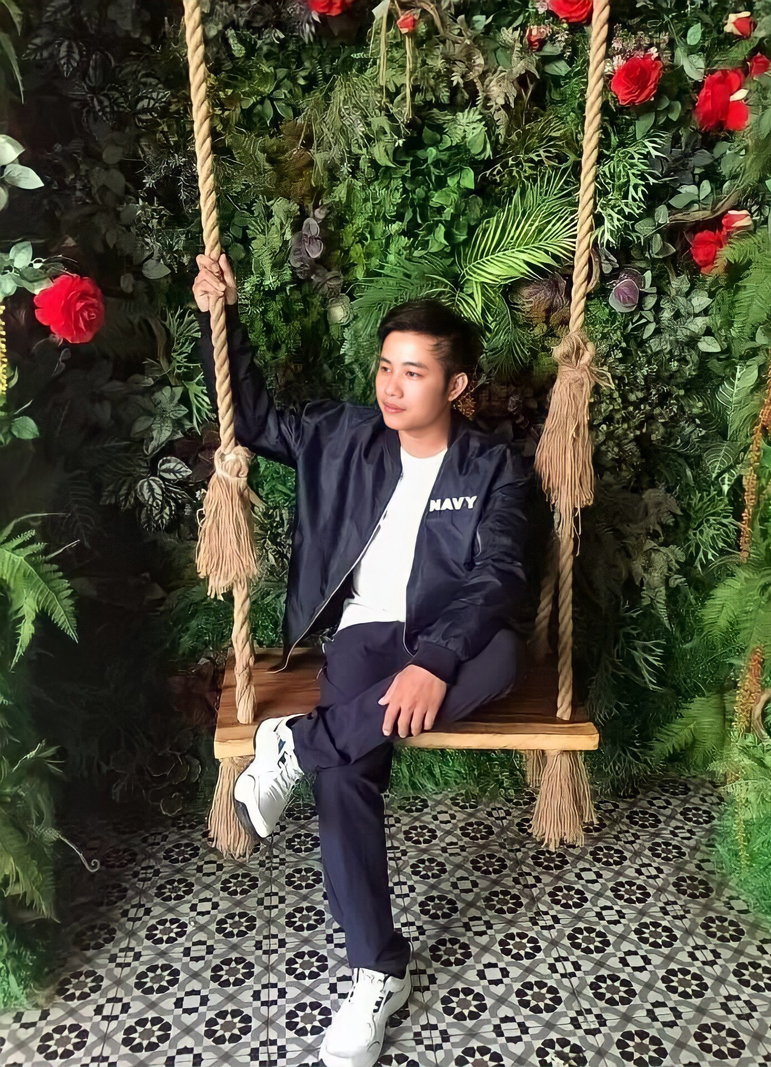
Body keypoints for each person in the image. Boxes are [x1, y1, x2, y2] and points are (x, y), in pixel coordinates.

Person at [193, 251, 532, 1067]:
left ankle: (294, 743)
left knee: (498, 659)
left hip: (451, 636)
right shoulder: (342, 436)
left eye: (413, 372)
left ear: (455, 385)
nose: (392, 386)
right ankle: (377, 969)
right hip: (364, 635)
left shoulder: (491, 467)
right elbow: (253, 416)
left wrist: (436, 658)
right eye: (386, 366)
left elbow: (501, 573)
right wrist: (219, 317)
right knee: (347, 772)